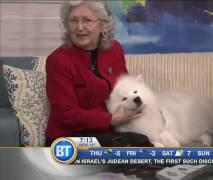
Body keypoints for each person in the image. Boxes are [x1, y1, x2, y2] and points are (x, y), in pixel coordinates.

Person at [45, 0, 152, 147]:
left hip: (107, 132)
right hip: (68, 138)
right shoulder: (57, 61)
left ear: (102, 24)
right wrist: (111, 119)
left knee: (144, 141)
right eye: (73, 21)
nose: (80, 27)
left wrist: (152, 109)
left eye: (87, 20)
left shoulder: (114, 50)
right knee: (121, 146)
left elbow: (128, 89)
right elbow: (66, 115)